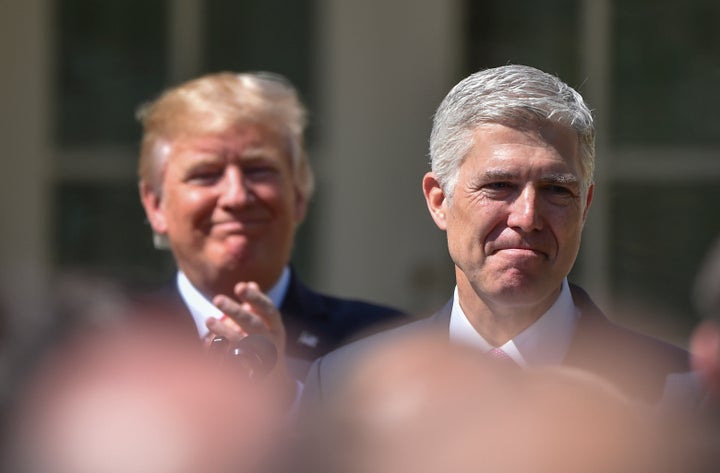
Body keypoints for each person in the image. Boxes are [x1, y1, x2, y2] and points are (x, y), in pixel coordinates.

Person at [304, 64, 689, 405]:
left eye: (556, 189)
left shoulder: (680, 392)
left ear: (584, 206)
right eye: (499, 185)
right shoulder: (347, 388)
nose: (527, 217)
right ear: (439, 201)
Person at [136, 72, 405, 381]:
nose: (236, 196)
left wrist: (290, 395)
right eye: (206, 174)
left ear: (300, 194)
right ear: (156, 203)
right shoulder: (108, 346)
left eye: (258, 170)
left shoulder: (381, 344)